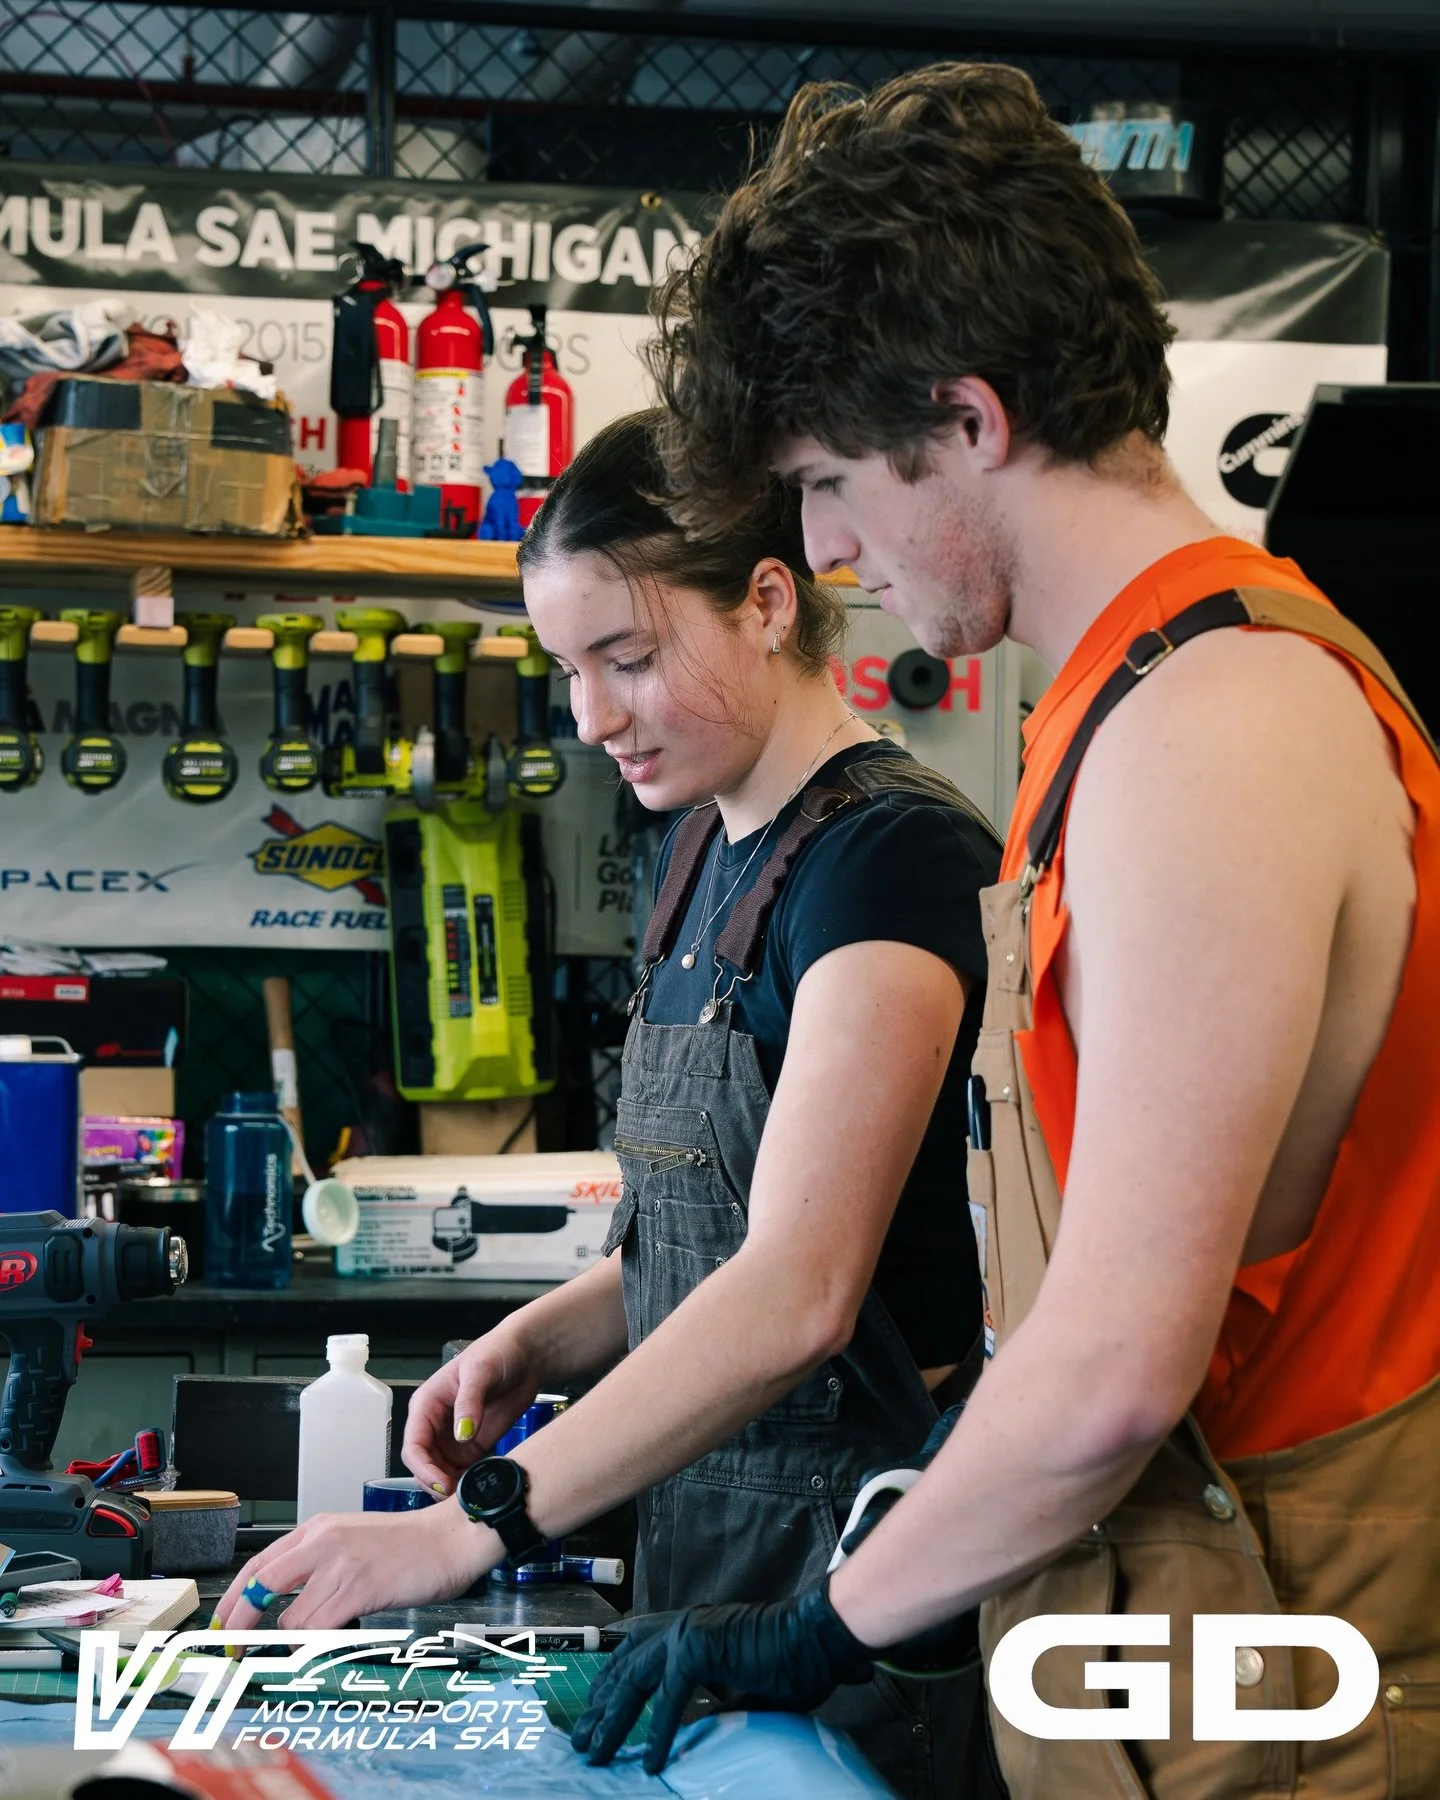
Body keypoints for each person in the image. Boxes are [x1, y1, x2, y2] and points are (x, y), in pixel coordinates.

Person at [570, 63, 1440, 1799]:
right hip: (1170, 1650)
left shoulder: (1216, 723)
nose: (822, 549)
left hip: (1271, 1680)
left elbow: (1120, 1369)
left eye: (826, 479)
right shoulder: (1123, 708)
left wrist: (817, 1624)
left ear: (969, 420)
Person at [215, 408, 1000, 1800]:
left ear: (769, 602)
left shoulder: (890, 861)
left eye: (626, 659)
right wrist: (536, 1340)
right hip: (697, 1570)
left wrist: (469, 1531)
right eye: (571, 669)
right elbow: (694, 1248)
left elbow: (802, 1290)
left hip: (848, 1602)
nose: (588, 718)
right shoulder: (699, 850)